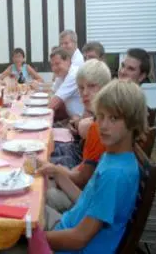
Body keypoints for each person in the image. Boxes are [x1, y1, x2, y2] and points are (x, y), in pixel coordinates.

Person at [42, 79, 146, 253]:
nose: (103, 126)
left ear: (133, 122)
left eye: (113, 118)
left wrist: (31, 239)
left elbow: (79, 239)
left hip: (69, 246)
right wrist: (58, 174)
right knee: (26, 206)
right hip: (66, 225)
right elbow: (86, 201)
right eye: (100, 116)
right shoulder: (113, 156)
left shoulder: (115, 174)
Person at [47, 60, 112, 212]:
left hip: (87, 204)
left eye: (91, 86)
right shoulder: (99, 119)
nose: (85, 92)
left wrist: (59, 172)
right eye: (81, 88)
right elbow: (84, 167)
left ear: (105, 88)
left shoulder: (99, 129)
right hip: (88, 194)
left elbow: (82, 180)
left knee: (41, 193)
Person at [48, 47, 84, 121]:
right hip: (70, 119)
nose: (54, 68)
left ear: (68, 61)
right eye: (52, 65)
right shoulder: (61, 75)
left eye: (57, 64)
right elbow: (52, 95)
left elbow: (53, 103)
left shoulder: (74, 75)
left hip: (80, 122)